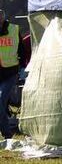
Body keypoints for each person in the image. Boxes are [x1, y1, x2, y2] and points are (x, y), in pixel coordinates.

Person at [0, 9, 23, 139]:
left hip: (10, 72)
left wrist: (21, 67)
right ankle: (6, 133)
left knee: (1, 100)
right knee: (1, 104)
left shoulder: (14, 30)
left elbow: (21, 50)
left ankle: (7, 134)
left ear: (3, 18)